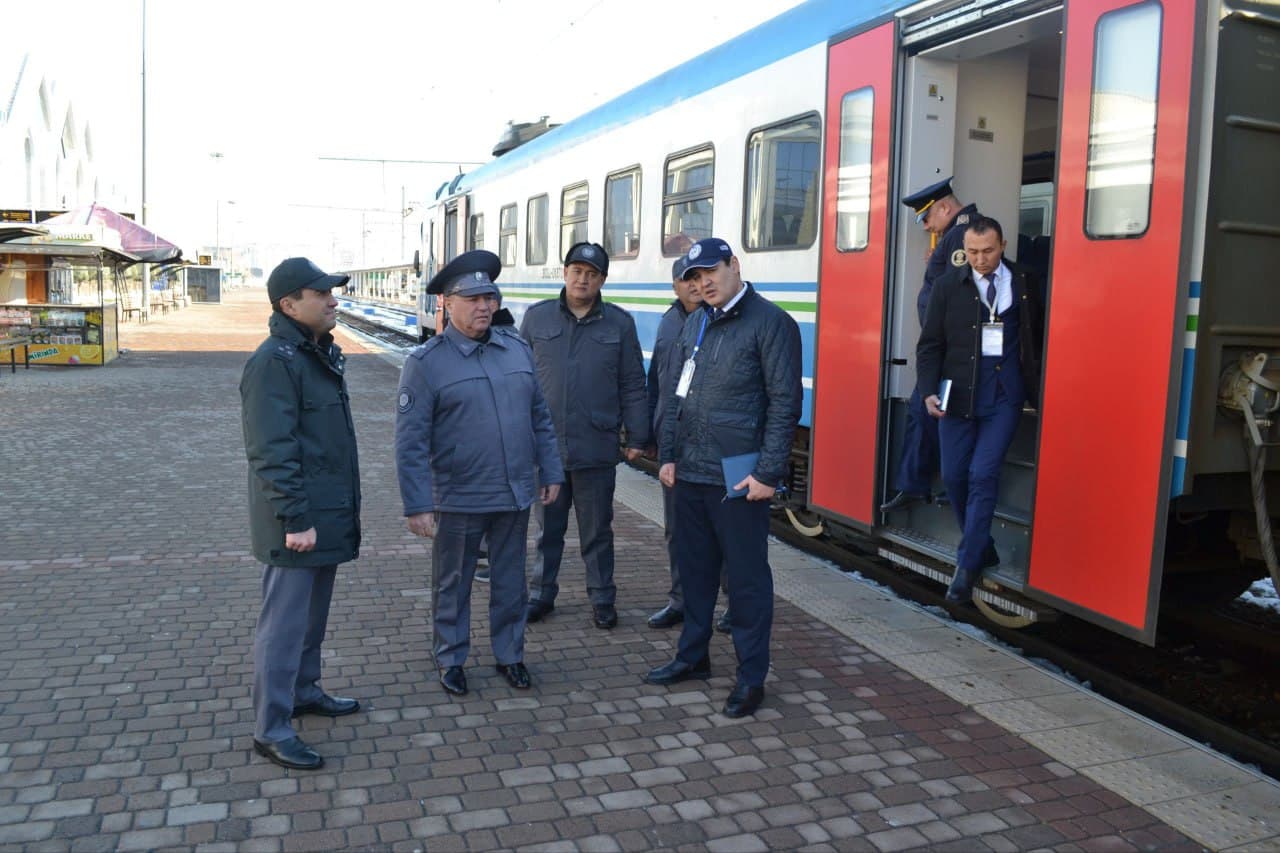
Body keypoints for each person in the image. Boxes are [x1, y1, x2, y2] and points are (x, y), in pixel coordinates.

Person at [395, 250, 563, 696]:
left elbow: (540, 418)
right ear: (447, 304)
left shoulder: (516, 350)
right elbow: (410, 442)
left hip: (512, 493)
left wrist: (551, 469)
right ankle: (450, 657)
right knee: (453, 584)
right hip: (458, 495)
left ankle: (510, 654)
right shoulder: (427, 363)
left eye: (489, 296)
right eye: (472, 298)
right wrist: (418, 504)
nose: (484, 306)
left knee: (511, 582)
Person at [647, 238, 802, 718]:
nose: (703, 283)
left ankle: (751, 678)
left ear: (735, 266)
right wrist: (668, 454)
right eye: (693, 278)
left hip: (739, 476)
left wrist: (767, 471)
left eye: (710, 272)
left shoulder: (772, 323)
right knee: (694, 573)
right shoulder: (695, 321)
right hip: (691, 471)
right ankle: (693, 656)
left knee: (747, 582)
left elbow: (784, 406)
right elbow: (677, 394)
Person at [240, 257, 361, 771]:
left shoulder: (315, 354)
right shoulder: (275, 361)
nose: (333, 300)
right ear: (290, 304)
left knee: (311, 621)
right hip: (299, 524)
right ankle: (271, 727)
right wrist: (294, 519)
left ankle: (306, 690)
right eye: (321, 293)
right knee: (283, 628)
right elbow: (271, 451)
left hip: (324, 515)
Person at [521, 242, 650, 630]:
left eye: (591, 274)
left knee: (597, 532)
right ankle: (541, 594)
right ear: (564, 273)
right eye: (577, 271)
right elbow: (520, 381)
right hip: (547, 451)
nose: (583, 279)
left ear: (602, 281)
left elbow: (632, 383)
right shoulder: (537, 319)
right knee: (548, 532)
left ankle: (602, 598)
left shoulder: (619, 324)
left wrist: (638, 436)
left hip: (596, 446)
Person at [916, 216, 1043, 602]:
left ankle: (966, 566)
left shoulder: (1024, 281)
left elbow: (1038, 335)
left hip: (1004, 396)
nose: (980, 259)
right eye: (972, 252)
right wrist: (927, 391)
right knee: (955, 475)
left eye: (987, 251)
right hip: (958, 396)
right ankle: (982, 546)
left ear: (1002, 245)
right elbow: (930, 345)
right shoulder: (946, 287)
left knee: (983, 474)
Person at [881, 177, 980, 513]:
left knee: (930, 411)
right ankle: (915, 484)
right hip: (946, 347)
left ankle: (926, 485)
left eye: (926, 218)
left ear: (945, 208)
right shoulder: (958, 234)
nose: (926, 226)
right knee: (922, 412)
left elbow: (955, 295)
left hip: (949, 349)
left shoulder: (960, 235)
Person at [645, 257, 730, 631]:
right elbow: (657, 383)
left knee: (727, 531)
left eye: (701, 278)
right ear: (675, 286)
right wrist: (650, 433)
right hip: (677, 445)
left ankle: (736, 603)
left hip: (719, 447)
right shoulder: (669, 322)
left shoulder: (729, 322)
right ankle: (681, 600)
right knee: (678, 529)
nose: (695, 286)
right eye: (687, 279)